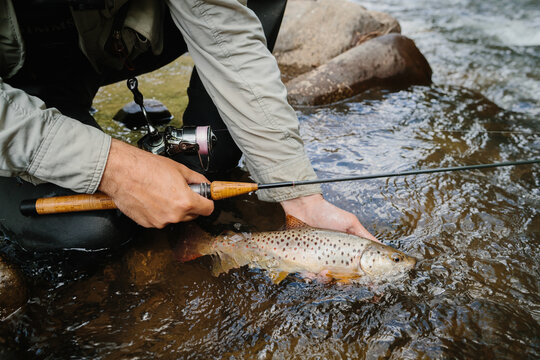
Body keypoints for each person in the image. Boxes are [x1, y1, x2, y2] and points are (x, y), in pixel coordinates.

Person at [0, 0, 377, 251]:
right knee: (93, 230)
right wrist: (113, 168)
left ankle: (196, 160)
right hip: (21, 79)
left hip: (120, 42)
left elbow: (226, 33)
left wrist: (300, 197)